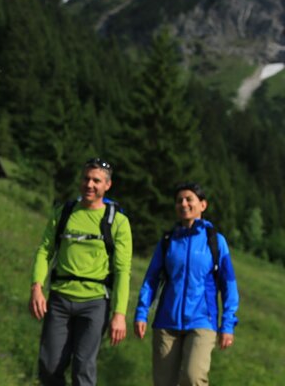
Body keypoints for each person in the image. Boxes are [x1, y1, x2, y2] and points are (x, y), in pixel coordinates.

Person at [28, 158, 132, 386]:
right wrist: (37, 287)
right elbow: (45, 251)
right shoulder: (63, 213)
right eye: (86, 179)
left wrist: (119, 314)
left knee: (83, 367)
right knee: (49, 365)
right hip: (59, 299)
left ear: (107, 185)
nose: (90, 185)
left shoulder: (118, 222)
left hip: (95, 303)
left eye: (97, 181)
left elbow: (123, 270)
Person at [133, 182, 239, 386]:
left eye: (189, 199)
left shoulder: (215, 241)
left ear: (202, 205)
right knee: (163, 382)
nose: (183, 204)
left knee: (193, 378)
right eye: (179, 200)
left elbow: (229, 285)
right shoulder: (167, 240)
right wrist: (141, 312)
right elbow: (151, 279)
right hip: (166, 322)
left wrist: (227, 324)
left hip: (202, 320)